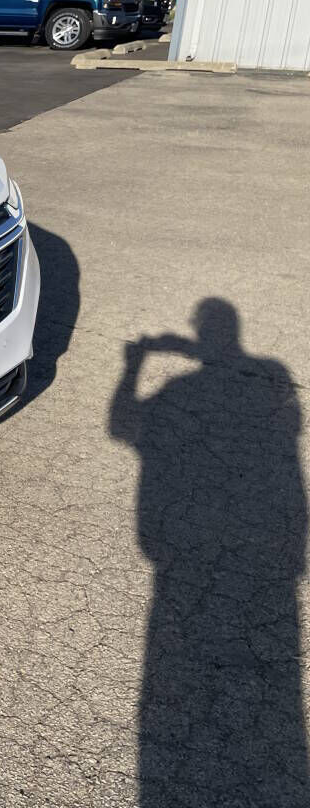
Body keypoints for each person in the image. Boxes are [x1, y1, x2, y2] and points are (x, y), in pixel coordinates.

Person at [110, 298, 308, 806]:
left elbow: (123, 426)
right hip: (273, 561)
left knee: (178, 669)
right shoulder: (272, 374)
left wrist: (134, 364)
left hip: (182, 557)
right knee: (274, 677)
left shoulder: (188, 386)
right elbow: (290, 425)